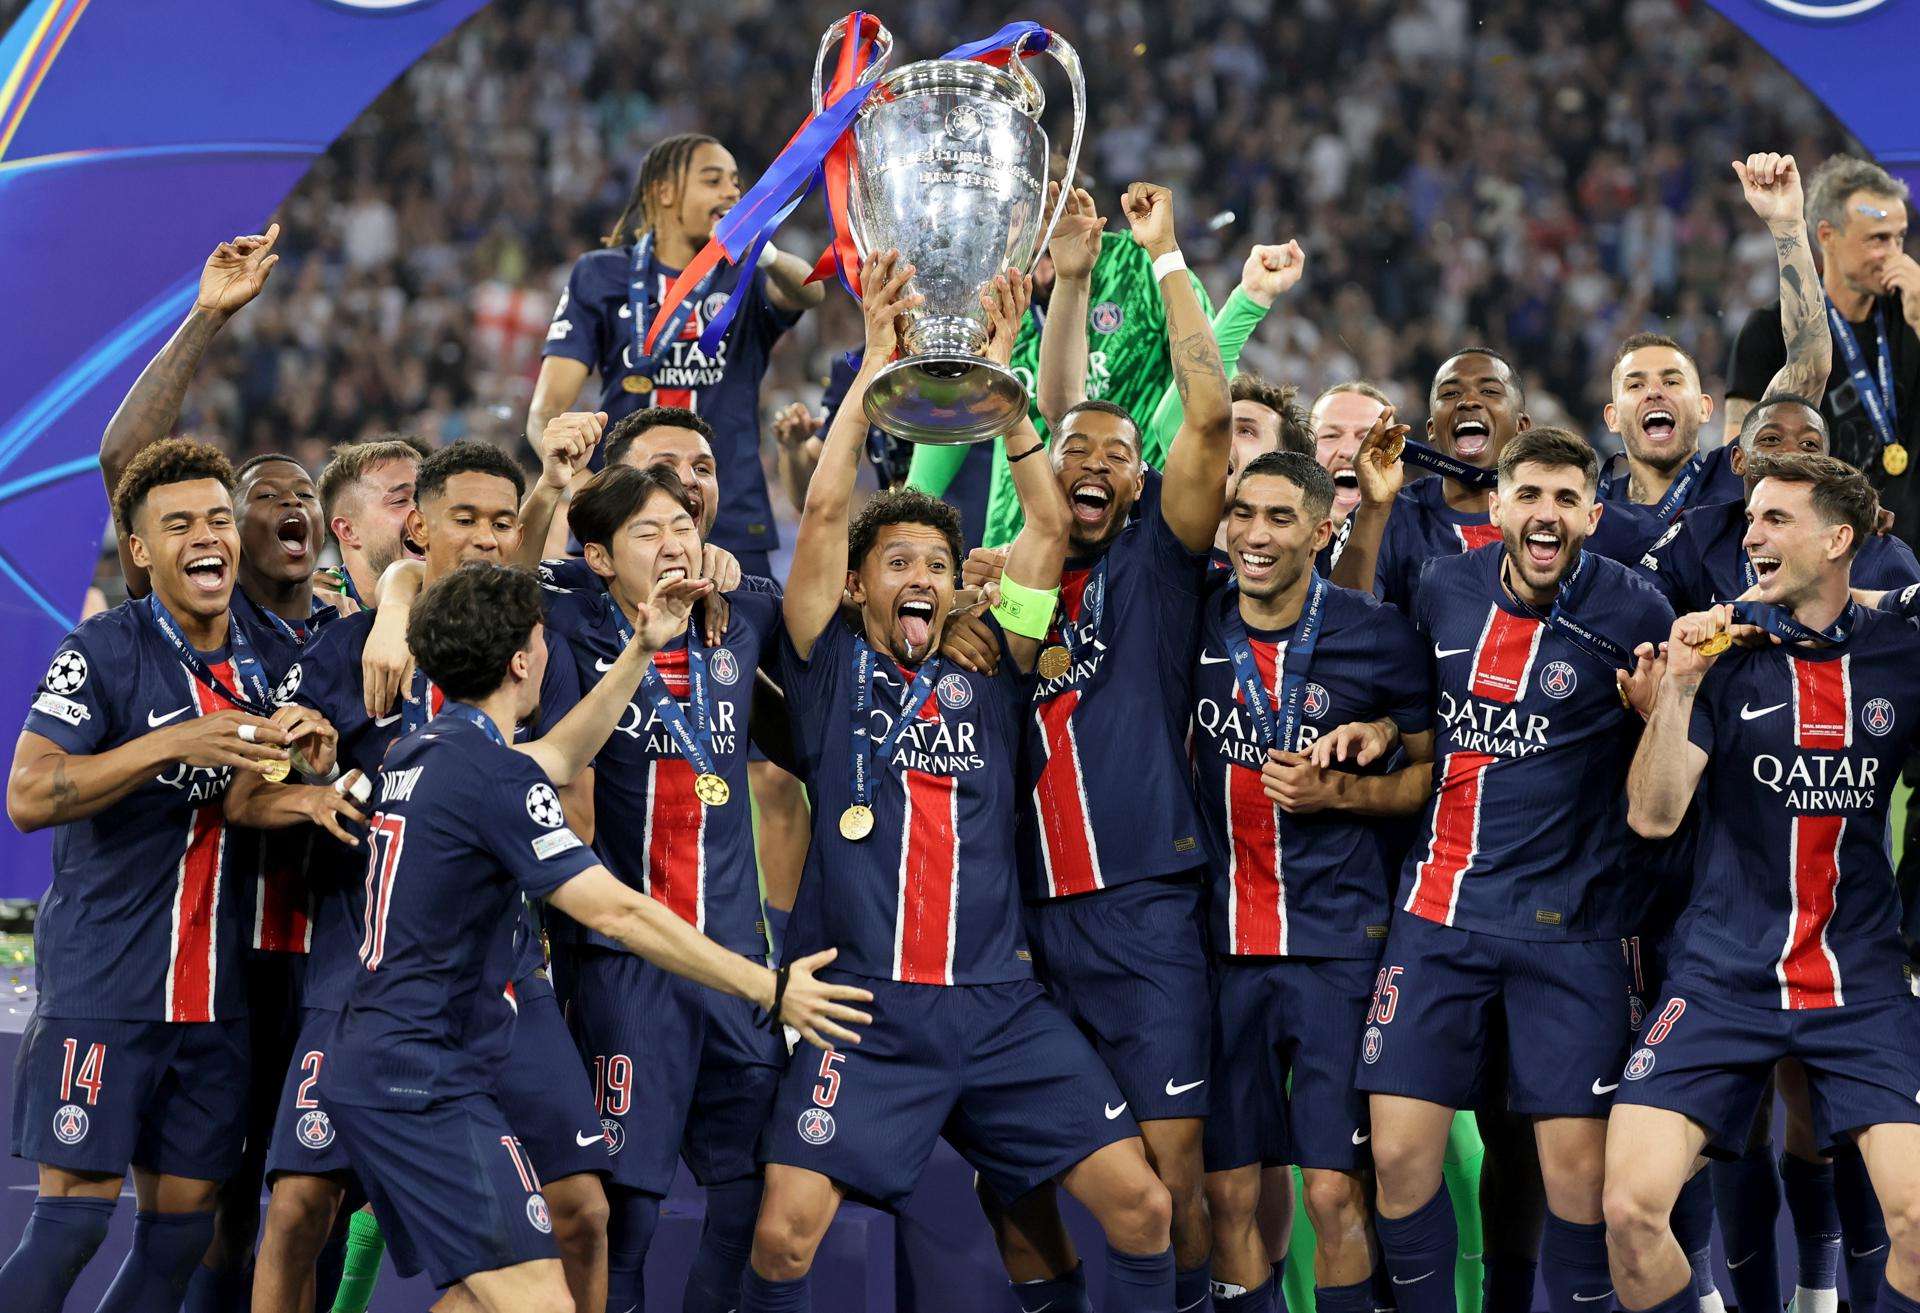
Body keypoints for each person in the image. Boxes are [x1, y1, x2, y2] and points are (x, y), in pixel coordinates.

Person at [742, 250, 1174, 1313]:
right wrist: (873, 369)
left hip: (1000, 1006)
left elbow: (1043, 527)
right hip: (868, 1011)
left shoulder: (996, 662)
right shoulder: (827, 661)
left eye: (936, 563)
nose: (923, 577)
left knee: (1144, 1212)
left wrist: (1006, 388)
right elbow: (833, 505)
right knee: (784, 1234)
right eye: (898, 564)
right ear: (856, 585)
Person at [311, 560, 867, 1313]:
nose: (550, 650)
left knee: (497, 1297)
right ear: (521, 662)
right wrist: (769, 986)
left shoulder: (430, 750)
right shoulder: (490, 774)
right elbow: (619, 913)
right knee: (543, 1301)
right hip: (418, 1078)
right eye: (542, 639)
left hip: (405, 1064)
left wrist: (639, 650)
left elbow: (565, 755)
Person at [952, 182, 1245, 1313]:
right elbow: (1044, 422)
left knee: (1172, 1181)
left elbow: (1209, 419)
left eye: (1119, 454)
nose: (1095, 463)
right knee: (1009, 1175)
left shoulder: (1159, 567)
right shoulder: (1004, 583)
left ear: (1140, 479)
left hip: (1141, 908)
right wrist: (1060, 293)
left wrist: (1168, 256)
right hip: (1018, 919)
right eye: (1076, 447)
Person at [250, 442, 604, 1313]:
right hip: (366, 973)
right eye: (465, 520)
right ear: (418, 526)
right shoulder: (346, 648)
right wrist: (310, 786)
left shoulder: (534, 646)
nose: (488, 538)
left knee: (584, 1211)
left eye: (502, 522)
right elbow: (261, 790)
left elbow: (572, 790)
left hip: (503, 969)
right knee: (300, 1205)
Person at [0, 439, 338, 1313]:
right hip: (107, 986)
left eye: (218, 518)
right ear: (141, 551)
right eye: (178, 523)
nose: (207, 536)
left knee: (183, 1235)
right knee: (72, 1224)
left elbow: (241, 802)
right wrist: (171, 743)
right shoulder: (104, 650)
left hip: (217, 1002)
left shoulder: (268, 655)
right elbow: (29, 794)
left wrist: (309, 789)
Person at [1356, 428, 1674, 1313]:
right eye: (1529, 494)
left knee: (1577, 1184)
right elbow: (1400, 696)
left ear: (1593, 516)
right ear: (1495, 508)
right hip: (1440, 908)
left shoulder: (1638, 612)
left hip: (1576, 925)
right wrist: (1382, 731)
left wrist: (1661, 716)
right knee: (1396, 1158)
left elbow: (1677, 778)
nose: (1547, 514)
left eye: (1567, 499)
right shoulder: (1442, 587)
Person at [1607, 453, 1920, 1313]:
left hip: (1857, 976)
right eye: (1750, 518)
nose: (1751, 535)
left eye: (1777, 519)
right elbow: (1653, 815)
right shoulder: (1723, 647)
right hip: (1724, 975)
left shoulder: (1902, 647)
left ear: (1839, 537)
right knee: (1630, 1213)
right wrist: (1677, 688)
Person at [535, 462, 788, 1313]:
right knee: (626, 1211)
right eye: (648, 532)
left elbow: (818, 566)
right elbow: (475, 569)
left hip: (734, 961)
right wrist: (391, 593)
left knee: (749, 1191)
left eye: (682, 524)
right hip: (624, 963)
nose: (675, 541)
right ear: (600, 557)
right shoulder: (567, 626)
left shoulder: (741, 612)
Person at [1192, 450, 1435, 1313]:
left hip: (1339, 948)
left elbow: (1428, 777)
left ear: (1320, 529)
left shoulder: (1377, 632)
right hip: (1220, 950)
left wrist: (1344, 790)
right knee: (1227, 1196)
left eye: (1281, 517)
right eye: (1244, 515)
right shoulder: (1195, 621)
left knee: (1334, 1192)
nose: (1256, 535)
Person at [518, 404, 813, 956]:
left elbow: (847, 617)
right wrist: (548, 486)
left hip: (736, 949)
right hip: (620, 955)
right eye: (665, 468)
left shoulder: (746, 604)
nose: (686, 481)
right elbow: (492, 592)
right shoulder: (573, 597)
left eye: (703, 468)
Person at [531, 132, 826, 578]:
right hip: (622, 521)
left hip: (731, 519)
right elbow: (546, 411)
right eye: (713, 181)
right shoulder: (602, 272)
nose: (732, 193)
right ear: (664, 191)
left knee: (739, 647)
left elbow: (811, 291)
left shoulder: (744, 273)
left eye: (735, 182)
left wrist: (763, 254)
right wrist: (584, 490)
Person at [1332, 350, 1663, 612]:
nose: (1469, 401)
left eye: (1490, 391)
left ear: (1522, 426)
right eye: (1450, 393)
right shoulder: (1389, 516)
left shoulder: (1577, 515)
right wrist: (1374, 508)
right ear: (1431, 430)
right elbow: (1341, 627)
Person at [1602, 155, 1828, 520]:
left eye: (1672, 381)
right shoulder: (1588, 513)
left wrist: (1787, 225)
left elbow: (1809, 364)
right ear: (1612, 417)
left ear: (1705, 408)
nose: (1655, 392)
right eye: (1635, 385)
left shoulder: (1734, 478)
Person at [1729, 154, 1920, 551]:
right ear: (1828, 235)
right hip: (1822, 558)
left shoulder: (1911, 315)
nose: (1895, 254)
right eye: (1878, 239)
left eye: (1900, 238)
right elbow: (1739, 458)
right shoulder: (1767, 330)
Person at [1638, 396, 1920, 612]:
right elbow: (1637, 613)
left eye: (1809, 445)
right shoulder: (1697, 535)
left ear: (1826, 462)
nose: (1791, 454)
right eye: (1771, 439)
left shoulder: (1877, 554)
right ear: (1738, 460)